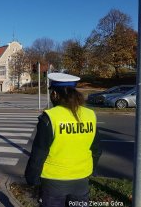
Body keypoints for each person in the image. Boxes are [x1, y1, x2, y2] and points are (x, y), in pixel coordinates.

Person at [25, 72, 101, 207]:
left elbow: (39, 153)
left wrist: (32, 179)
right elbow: (96, 149)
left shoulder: (50, 117)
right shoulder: (90, 115)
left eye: (51, 93)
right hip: (81, 179)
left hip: (54, 181)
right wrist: (90, 170)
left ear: (55, 94)